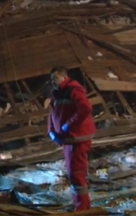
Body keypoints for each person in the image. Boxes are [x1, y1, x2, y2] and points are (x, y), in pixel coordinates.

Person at [47, 66, 96, 211]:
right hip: (68, 139)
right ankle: (80, 206)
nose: (53, 82)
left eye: (54, 79)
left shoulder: (73, 90)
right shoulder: (58, 93)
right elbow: (52, 113)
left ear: (63, 77)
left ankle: (83, 209)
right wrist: (51, 130)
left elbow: (85, 108)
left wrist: (68, 126)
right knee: (74, 175)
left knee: (77, 175)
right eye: (51, 80)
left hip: (77, 139)